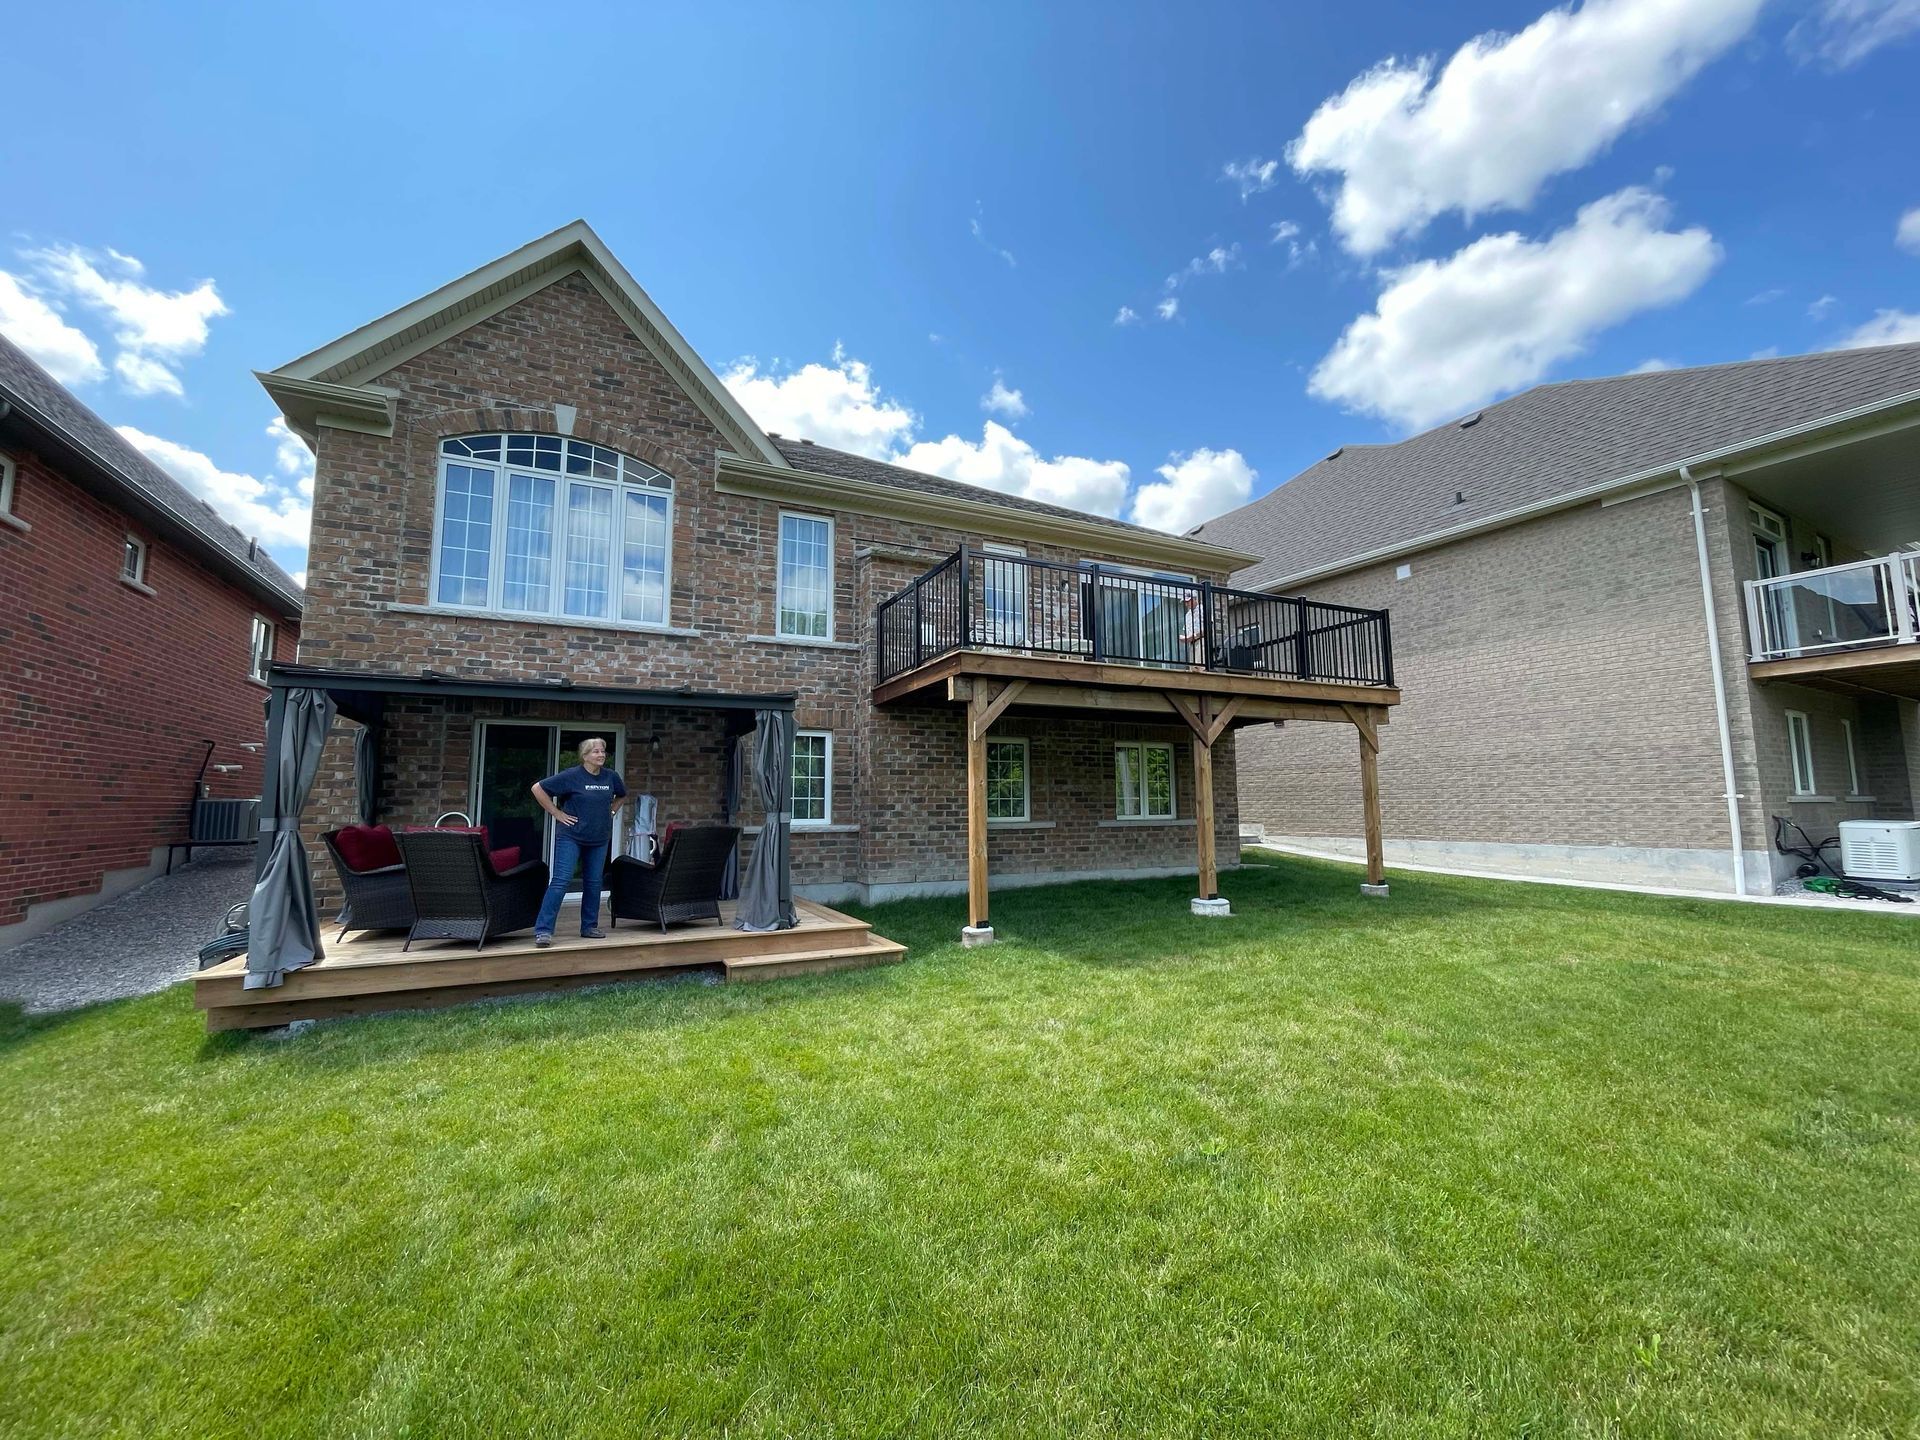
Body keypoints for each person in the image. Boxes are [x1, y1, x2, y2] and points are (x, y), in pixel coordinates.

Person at [530, 737, 627, 946]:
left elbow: (622, 795)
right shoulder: (571, 776)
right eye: (595, 752)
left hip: (599, 838)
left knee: (593, 883)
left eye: (603, 751)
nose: (601, 755)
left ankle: (589, 927)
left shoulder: (611, 777)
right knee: (561, 881)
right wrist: (556, 813)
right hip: (571, 836)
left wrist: (611, 811)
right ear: (585, 756)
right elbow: (537, 788)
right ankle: (544, 930)